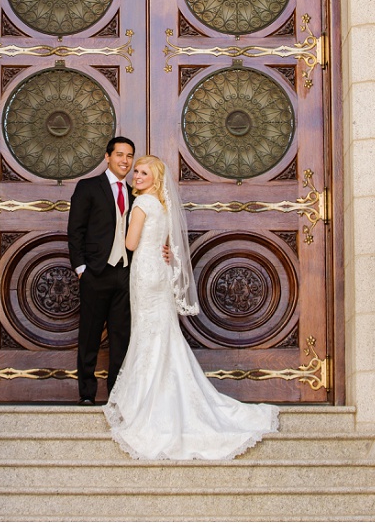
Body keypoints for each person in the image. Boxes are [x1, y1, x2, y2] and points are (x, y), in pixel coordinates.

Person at [104, 155, 279, 459]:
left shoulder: (143, 205)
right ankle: (162, 393)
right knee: (161, 332)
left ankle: (147, 400)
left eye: (143, 173)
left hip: (145, 272)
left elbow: (130, 245)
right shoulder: (162, 205)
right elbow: (169, 245)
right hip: (158, 270)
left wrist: (118, 226)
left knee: (148, 332)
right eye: (136, 173)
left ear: (156, 179)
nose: (137, 177)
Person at [67, 136, 136, 404]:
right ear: (107, 157)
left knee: (121, 337)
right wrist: (81, 267)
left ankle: (116, 395)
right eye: (119, 154)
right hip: (95, 272)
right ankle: (86, 394)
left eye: (129, 156)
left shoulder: (135, 193)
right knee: (90, 335)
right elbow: (76, 230)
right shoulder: (88, 187)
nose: (125, 160)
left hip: (124, 272)